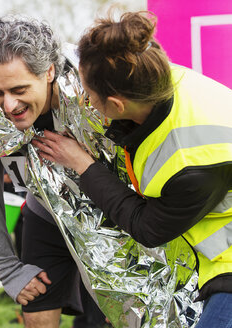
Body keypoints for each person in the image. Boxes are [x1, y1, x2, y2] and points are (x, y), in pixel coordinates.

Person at [32, 11, 232, 328]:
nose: (83, 99)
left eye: (88, 93)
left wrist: (83, 164)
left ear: (117, 105)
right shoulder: (151, 77)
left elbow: (147, 228)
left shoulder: (190, 161)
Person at [0, 16, 107, 327]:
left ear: (49, 71)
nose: (9, 105)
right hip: (45, 213)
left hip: (108, 213)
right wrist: (8, 269)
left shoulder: (92, 80)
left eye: (19, 89)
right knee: (37, 314)